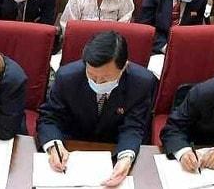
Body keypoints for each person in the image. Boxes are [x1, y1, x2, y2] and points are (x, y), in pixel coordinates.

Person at [37, 32, 156, 186]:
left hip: (113, 148)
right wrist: (54, 146)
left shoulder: (142, 83)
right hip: (72, 148)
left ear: (124, 66)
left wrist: (126, 157)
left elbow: (134, 126)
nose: (98, 83)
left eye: (105, 78)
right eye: (92, 76)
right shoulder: (66, 77)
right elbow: (49, 117)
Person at [136, 0, 210, 54]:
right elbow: (145, 27)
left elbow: (195, 27)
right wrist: (164, 47)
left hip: (183, 47)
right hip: (157, 47)